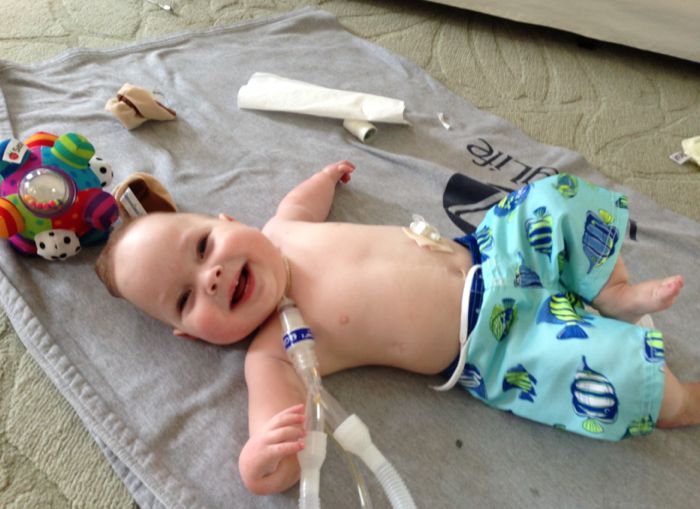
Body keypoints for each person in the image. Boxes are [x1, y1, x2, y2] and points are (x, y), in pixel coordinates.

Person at [95, 161, 699, 495]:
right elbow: (277, 441)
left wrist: (327, 177)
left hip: (493, 253)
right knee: (601, 382)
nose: (213, 276)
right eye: (184, 299)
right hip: (493, 344)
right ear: (191, 335)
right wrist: (260, 461)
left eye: (204, 245)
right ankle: (678, 403)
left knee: (555, 200)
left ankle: (609, 291)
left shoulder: (282, 229)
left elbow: (304, 198)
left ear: (229, 220)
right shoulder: (273, 350)